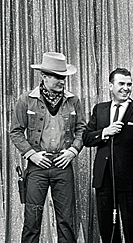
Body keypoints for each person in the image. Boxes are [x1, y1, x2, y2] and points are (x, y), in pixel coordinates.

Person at [10, 52, 85, 242]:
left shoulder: (73, 100)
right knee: (32, 222)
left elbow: (82, 129)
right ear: (44, 77)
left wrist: (73, 151)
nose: (62, 81)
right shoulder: (26, 99)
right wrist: (31, 154)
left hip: (62, 166)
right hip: (37, 167)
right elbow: (16, 131)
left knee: (66, 221)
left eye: (64, 77)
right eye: (58, 77)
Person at [83, 68, 133, 242]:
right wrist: (105, 131)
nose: (126, 88)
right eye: (121, 84)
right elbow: (87, 138)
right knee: (107, 229)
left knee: (132, 227)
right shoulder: (100, 109)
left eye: (129, 84)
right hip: (103, 178)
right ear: (111, 86)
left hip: (129, 178)